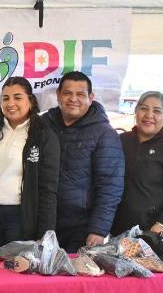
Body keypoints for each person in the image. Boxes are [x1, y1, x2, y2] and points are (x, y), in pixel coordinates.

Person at [41, 71, 124, 252]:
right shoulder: (43, 125)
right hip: (44, 222)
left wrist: (98, 229)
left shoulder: (104, 133)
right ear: (58, 95)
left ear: (91, 97)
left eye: (80, 94)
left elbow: (110, 186)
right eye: (67, 93)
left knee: (74, 279)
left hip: (82, 228)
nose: (73, 99)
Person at [0, 77, 59, 247]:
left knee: (18, 269)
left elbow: (48, 189)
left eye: (17, 97)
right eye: (5, 98)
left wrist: (45, 233)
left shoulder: (44, 135)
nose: (10, 103)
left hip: (21, 218)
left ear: (30, 101)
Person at [111, 91, 163, 236]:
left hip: (150, 233)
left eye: (157, 111)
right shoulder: (120, 141)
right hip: (115, 231)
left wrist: (162, 223)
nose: (149, 115)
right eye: (143, 108)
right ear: (135, 112)